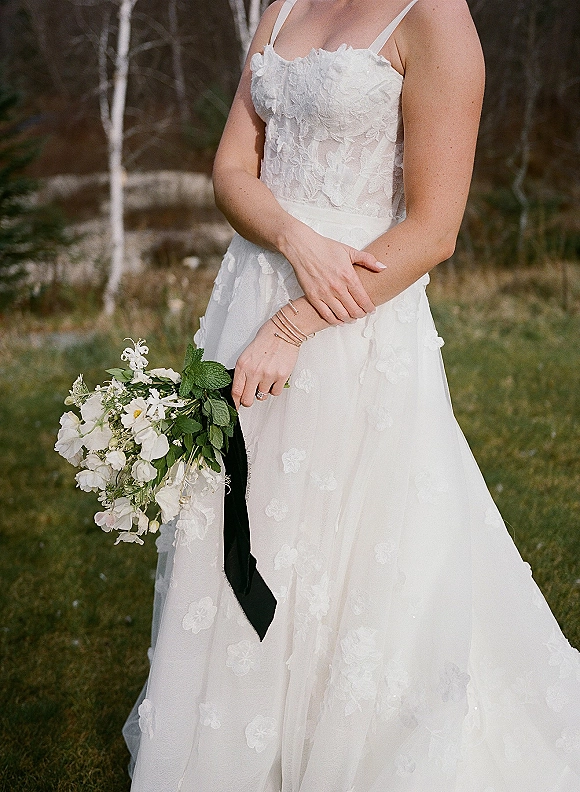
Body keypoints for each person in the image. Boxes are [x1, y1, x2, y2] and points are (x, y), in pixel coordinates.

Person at [124, 1, 580, 789]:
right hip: (253, 289)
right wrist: (293, 239)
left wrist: (298, 322)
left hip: (350, 318)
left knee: (347, 539)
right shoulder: (283, 6)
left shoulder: (434, 18)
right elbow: (233, 170)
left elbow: (435, 229)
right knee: (247, 514)